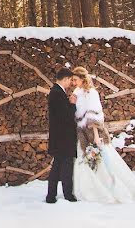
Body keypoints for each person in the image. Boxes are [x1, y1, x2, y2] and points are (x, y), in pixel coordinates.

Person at [70, 66, 135, 203]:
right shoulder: (77, 93)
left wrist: (96, 136)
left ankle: (109, 188)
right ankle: (87, 189)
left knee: (102, 161)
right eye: (73, 80)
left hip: (93, 134)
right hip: (82, 134)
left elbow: (95, 116)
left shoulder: (91, 93)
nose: (73, 83)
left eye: (75, 80)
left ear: (82, 79)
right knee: (84, 161)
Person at [46, 67, 78, 203]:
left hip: (59, 138)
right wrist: (72, 105)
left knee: (57, 166)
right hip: (63, 138)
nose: (70, 83)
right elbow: (65, 116)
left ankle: (51, 195)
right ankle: (68, 195)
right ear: (65, 79)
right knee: (66, 167)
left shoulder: (57, 92)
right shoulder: (57, 93)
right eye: (70, 80)